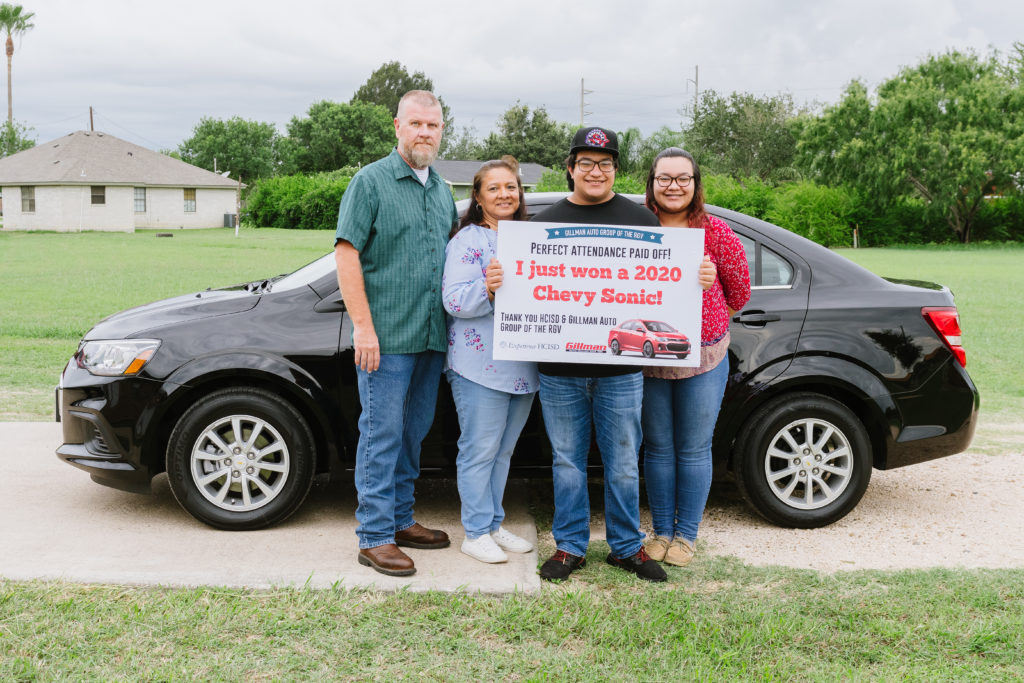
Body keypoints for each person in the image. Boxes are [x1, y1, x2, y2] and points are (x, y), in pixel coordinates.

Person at [530, 126, 670, 582]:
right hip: (559, 369)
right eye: (586, 162)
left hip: (621, 370)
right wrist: (498, 284)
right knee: (567, 462)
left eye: (605, 162)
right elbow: (527, 295)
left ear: (615, 169)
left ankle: (627, 547)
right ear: (570, 168)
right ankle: (569, 546)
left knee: (624, 463)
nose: (596, 170)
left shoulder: (644, 222)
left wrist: (698, 276)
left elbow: (664, 291)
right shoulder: (540, 225)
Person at [333, 90, 457, 577]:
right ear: (397, 126)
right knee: (381, 435)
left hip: (430, 338)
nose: (424, 132)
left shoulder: (442, 189)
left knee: (413, 433)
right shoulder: (371, 182)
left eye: (433, 125)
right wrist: (363, 327)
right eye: (416, 123)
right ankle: (374, 536)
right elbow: (347, 256)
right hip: (384, 340)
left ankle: (401, 519)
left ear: (441, 131)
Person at [641, 147, 750, 567]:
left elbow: (739, 295)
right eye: (664, 178)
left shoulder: (716, 233)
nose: (673, 186)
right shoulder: (638, 228)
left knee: (693, 448)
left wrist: (708, 284)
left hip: (703, 357)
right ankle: (660, 531)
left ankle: (685, 535)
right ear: (651, 183)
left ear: (695, 183)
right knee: (658, 448)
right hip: (649, 356)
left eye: (682, 178)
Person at [442, 157, 538, 564]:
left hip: (524, 366)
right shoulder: (467, 241)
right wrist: (488, 288)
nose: (504, 194)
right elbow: (453, 300)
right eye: (494, 188)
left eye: (511, 187)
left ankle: (494, 522)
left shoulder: (534, 239)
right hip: (478, 365)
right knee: (479, 449)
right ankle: (475, 530)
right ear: (478, 198)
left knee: (503, 451)